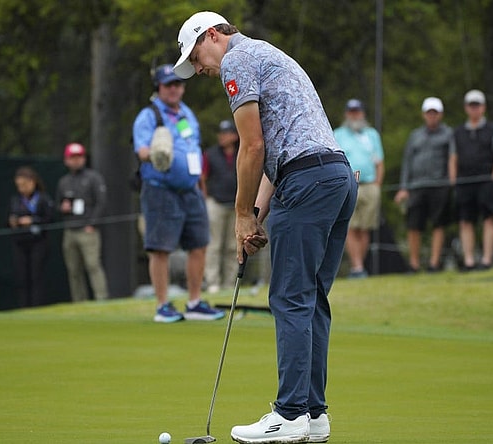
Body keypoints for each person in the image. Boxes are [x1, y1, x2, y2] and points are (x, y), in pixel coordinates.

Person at [174, 11, 357, 443]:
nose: (198, 69)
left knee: (290, 297)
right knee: (310, 299)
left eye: (196, 57)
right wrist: (255, 216)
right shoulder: (270, 55)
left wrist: (239, 215)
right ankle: (314, 416)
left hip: (307, 181)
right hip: (337, 178)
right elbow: (279, 151)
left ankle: (290, 414)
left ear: (213, 36)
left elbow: (252, 147)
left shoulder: (237, 61)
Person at [132, 63, 224, 323]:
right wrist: (154, 155)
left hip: (191, 189)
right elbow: (141, 150)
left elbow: (192, 147)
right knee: (160, 248)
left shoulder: (186, 114)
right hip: (161, 189)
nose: (174, 89)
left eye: (178, 84)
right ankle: (163, 306)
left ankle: (194, 302)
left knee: (200, 243)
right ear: (158, 87)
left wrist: (199, 184)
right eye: (168, 85)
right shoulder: (149, 116)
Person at [394, 97, 456, 273]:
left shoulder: (448, 134)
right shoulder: (415, 135)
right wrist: (404, 187)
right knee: (413, 225)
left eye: (435, 113)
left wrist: (451, 182)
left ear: (441, 114)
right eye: (429, 113)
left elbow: (452, 159)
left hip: (439, 185)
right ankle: (414, 264)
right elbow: (407, 162)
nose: (432, 116)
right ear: (424, 114)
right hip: (416, 186)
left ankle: (434, 264)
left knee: (438, 224)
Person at [450, 89, 493, 271]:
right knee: (465, 220)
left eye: (477, 105)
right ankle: (469, 261)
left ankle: (486, 260)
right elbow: (453, 158)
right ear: (466, 108)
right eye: (471, 105)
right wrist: (454, 181)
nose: (474, 109)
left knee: (489, 219)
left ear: (483, 108)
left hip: (486, 180)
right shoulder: (457, 132)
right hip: (464, 181)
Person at [333, 98, 384, 278]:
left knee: (365, 227)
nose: (355, 115)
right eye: (351, 111)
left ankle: (359, 267)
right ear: (347, 114)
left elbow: (379, 162)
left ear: (362, 113)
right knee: (350, 226)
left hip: (370, 185)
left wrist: (377, 184)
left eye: (357, 111)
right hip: (349, 185)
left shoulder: (372, 134)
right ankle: (357, 266)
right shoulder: (337, 134)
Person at [55, 143, 109, 301]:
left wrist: (92, 224)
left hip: (88, 230)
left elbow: (101, 202)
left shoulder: (93, 177)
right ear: (66, 160)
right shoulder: (64, 181)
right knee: (73, 270)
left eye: (79, 157)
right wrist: (62, 208)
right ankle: (79, 301)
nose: (76, 161)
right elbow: (58, 204)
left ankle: (101, 298)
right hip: (70, 229)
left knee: (93, 265)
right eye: (73, 157)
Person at [201, 119, 240, 293]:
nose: (222, 137)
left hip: (237, 204)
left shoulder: (242, 152)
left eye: (226, 133)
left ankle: (229, 283)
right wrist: (205, 197)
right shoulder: (210, 154)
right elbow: (202, 177)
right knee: (214, 245)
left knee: (233, 246)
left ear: (234, 135)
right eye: (221, 133)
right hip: (215, 202)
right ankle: (213, 282)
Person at [8, 166, 55, 307]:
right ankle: (24, 307)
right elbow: (8, 219)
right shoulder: (15, 200)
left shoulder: (43, 199)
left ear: (33, 182)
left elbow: (50, 218)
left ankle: (37, 306)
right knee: (22, 277)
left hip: (38, 242)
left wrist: (33, 220)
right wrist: (13, 221)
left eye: (24, 185)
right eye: (19, 186)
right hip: (20, 242)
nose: (21, 188)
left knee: (36, 276)